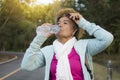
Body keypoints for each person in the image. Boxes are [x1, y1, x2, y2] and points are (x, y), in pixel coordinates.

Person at [21, 8, 113, 80]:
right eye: (58, 23)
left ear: (74, 31)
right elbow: (27, 66)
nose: (60, 25)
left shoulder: (84, 47)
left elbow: (107, 38)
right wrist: (40, 37)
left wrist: (83, 23)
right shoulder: (48, 51)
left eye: (65, 23)